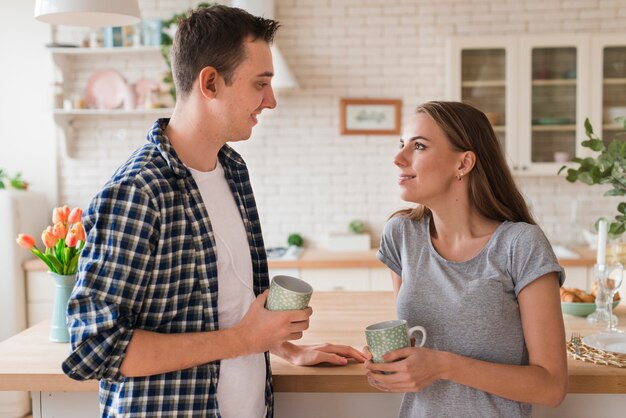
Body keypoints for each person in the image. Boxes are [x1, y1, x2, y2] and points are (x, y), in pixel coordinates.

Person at [62, 5, 365, 417]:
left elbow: (223, 305)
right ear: (210, 82)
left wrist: (284, 346)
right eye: (261, 84)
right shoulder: (139, 191)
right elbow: (94, 348)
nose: (271, 100)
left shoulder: (233, 170)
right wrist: (245, 340)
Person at [365, 101, 568, 417]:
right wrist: (391, 361)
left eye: (418, 146)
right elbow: (415, 346)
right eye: (401, 144)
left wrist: (443, 365)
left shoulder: (520, 245)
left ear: (464, 163)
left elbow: (551, 387)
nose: (398, 158)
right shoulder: (402, 234)